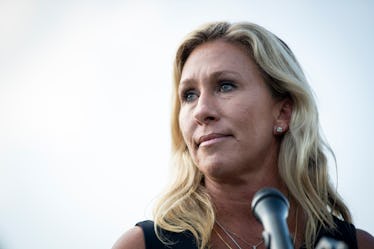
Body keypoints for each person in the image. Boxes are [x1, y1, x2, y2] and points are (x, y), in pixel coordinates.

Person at [112, 22, 374, 249]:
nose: (201, 111)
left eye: (225, 86)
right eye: (189, 95)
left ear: (283, 113)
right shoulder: (140, 245)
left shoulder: (358, 245)